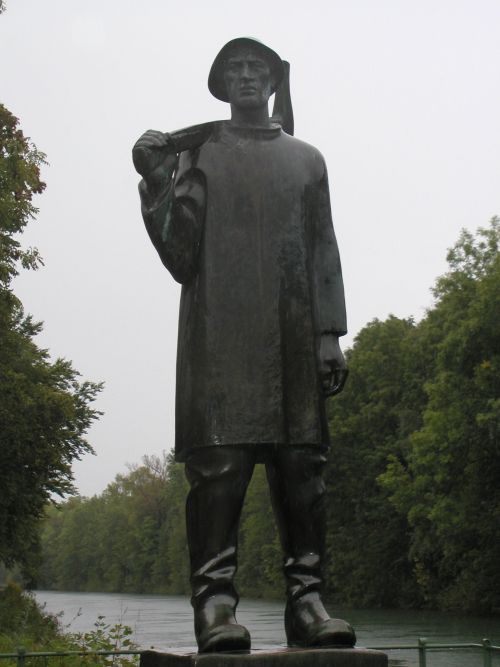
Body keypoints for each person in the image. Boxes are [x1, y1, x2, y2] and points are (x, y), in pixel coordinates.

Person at [133, 37, 355, 654]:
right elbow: (180, 254)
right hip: (218, 336)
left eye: (259, 67)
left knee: (302, 472)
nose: (248, 75)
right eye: (236, 68)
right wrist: (158, 179)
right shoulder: (199, 154)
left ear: (275, 80)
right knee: (219, 471)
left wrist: (329, 333)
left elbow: (323, 248)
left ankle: (307, 602)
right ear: (221, 82)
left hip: (292, 338)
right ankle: (216, 606)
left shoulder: (307, 159)